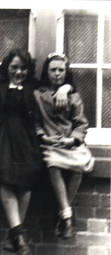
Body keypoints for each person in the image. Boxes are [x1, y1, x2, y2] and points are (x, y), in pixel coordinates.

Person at [0, 49, 74, 255]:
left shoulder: (34, 85)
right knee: (4, 178)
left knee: (26, 181)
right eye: (14, 67)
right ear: (7, 67)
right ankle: (18, 236)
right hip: (0, 136)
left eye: (23, 68)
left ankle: (14, 237)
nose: (18, 72)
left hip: (27, 137)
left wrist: (65, 89)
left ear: (28, 70)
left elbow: (64, 81)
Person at [34, 52, 95, 239]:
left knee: (80, 165)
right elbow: (35, 122)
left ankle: (64, 214)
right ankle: (67, 215)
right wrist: (43, 137)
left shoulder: (74, 97)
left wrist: (72, 139)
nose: (57, 74)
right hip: (50, 144)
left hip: (69, 143)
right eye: (53, 70)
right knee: (52, 164)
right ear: (47, 72)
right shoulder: (37, 95)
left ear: (66, 73)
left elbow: (81, 124)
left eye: (61, 70)